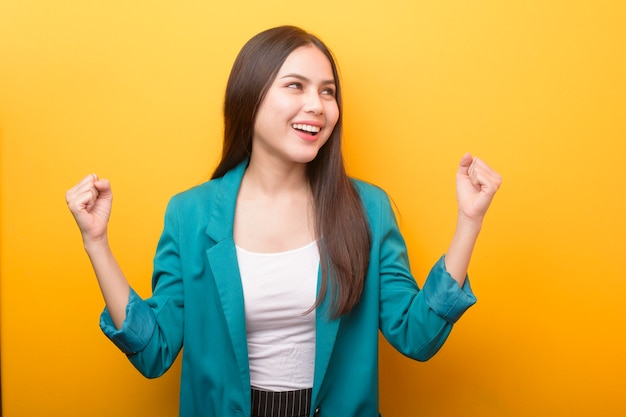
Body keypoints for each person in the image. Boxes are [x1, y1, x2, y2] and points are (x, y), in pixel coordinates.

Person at [66, 25, 502, 417]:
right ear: (250, 97)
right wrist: (97, 242)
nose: (317, 105)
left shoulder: (367, 208)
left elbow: (417, 335)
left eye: (328, 92)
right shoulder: (190, 214)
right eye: (296, 86)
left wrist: (469, 221)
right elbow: (153, 351)